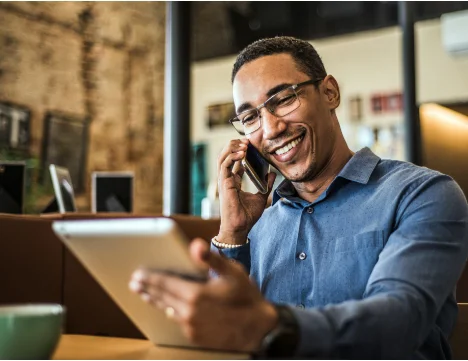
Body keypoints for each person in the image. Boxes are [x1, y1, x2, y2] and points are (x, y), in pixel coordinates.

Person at [129, 36, 468, 359]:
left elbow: (399, 321)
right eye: (250, 118)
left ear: (330, 92)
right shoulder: (258, 225)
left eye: (284, 100)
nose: (272, 128)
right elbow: (221, 330)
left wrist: (271, 326)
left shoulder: (422, 195)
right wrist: (233, 234)